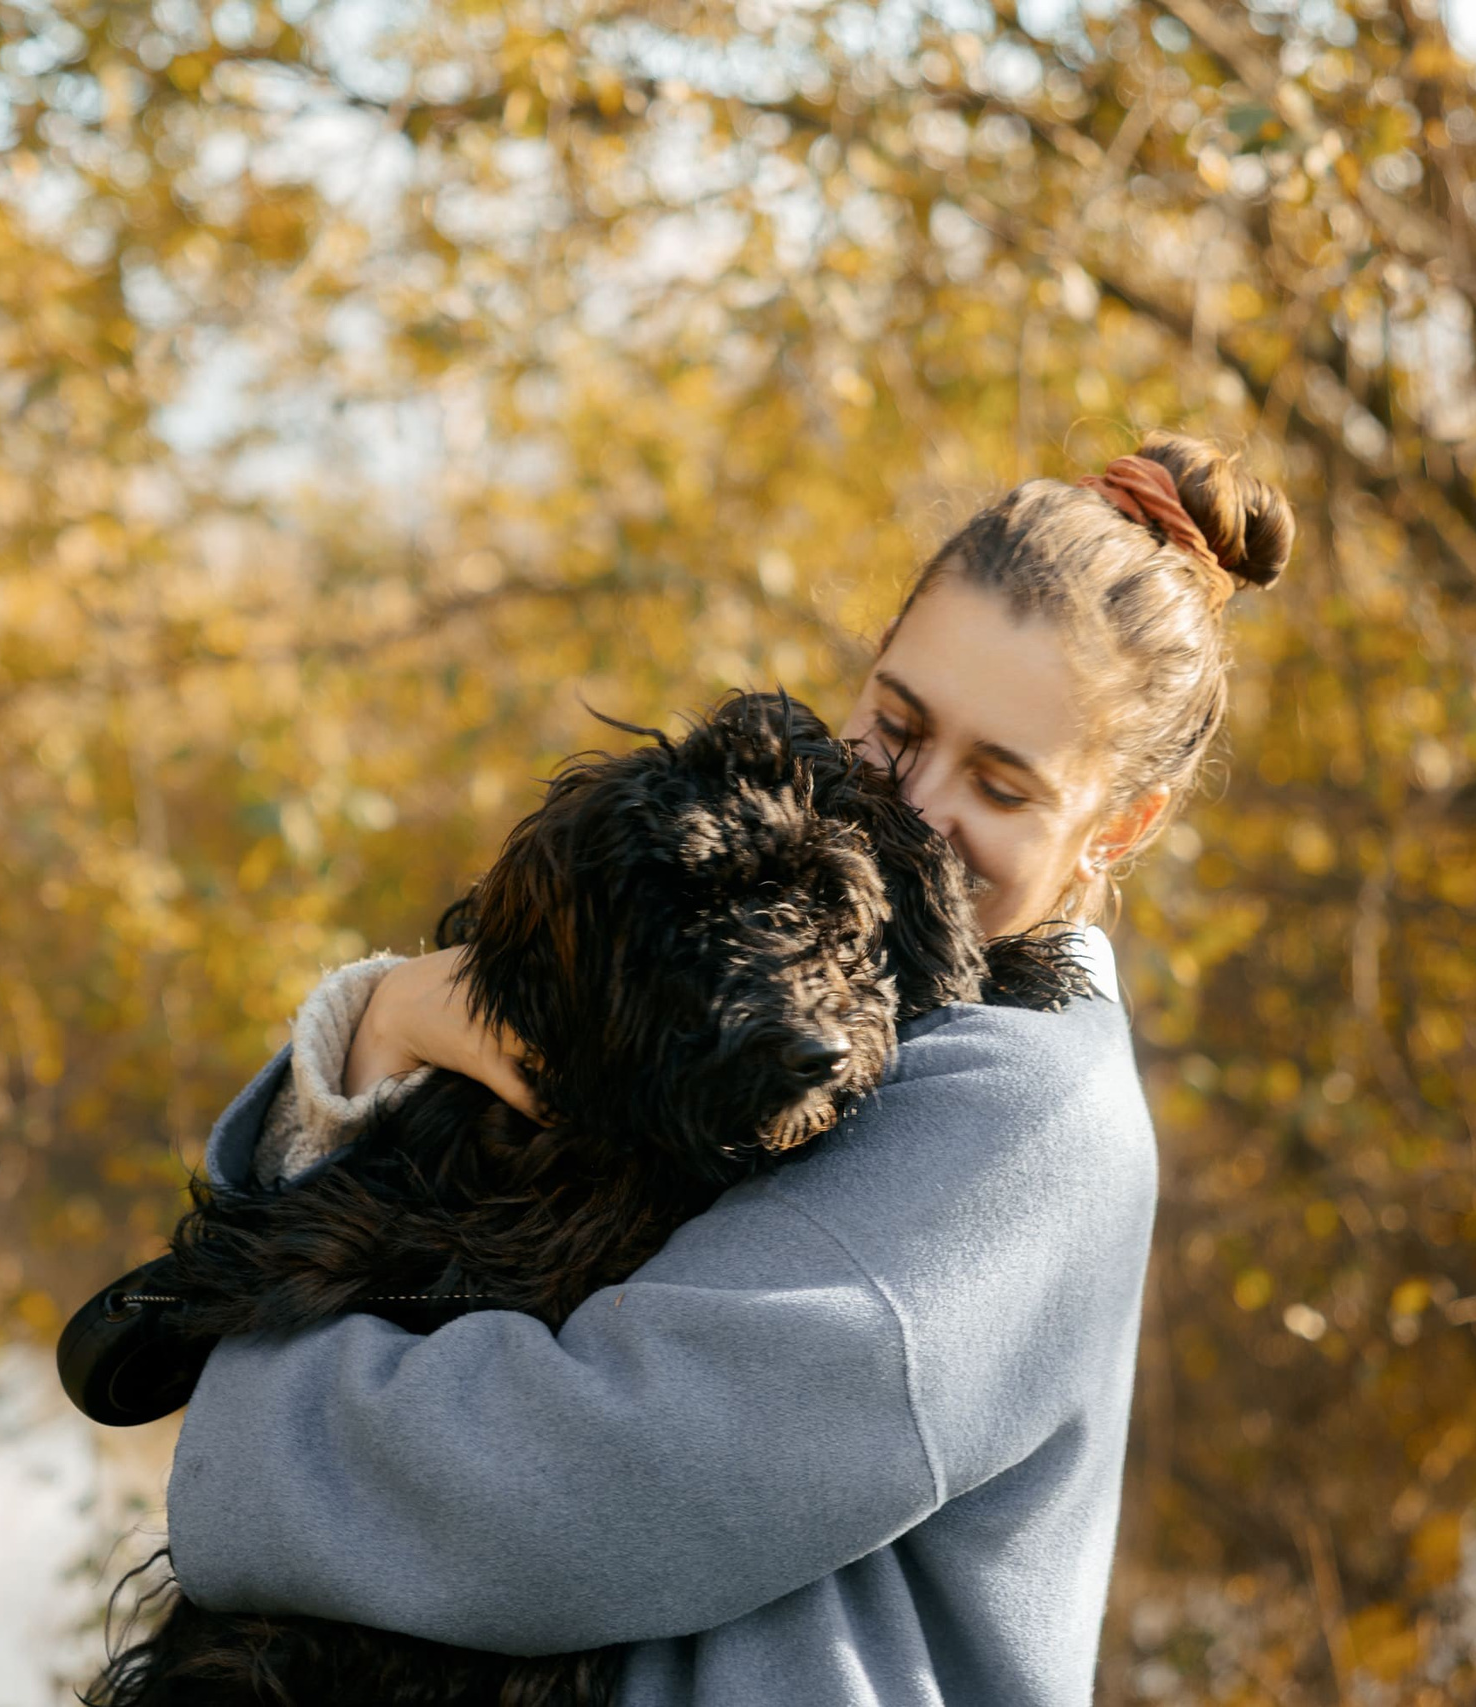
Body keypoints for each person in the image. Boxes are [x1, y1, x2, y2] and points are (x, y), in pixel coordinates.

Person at [159, 431, 1296, 1705]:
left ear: (1121, 823)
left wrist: (245, 1407)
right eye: (897, 727)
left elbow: (582, 1493)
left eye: (1001, 784)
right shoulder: (803, 947)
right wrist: (379, 1029)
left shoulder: (1024, 1111)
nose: (913, 810)